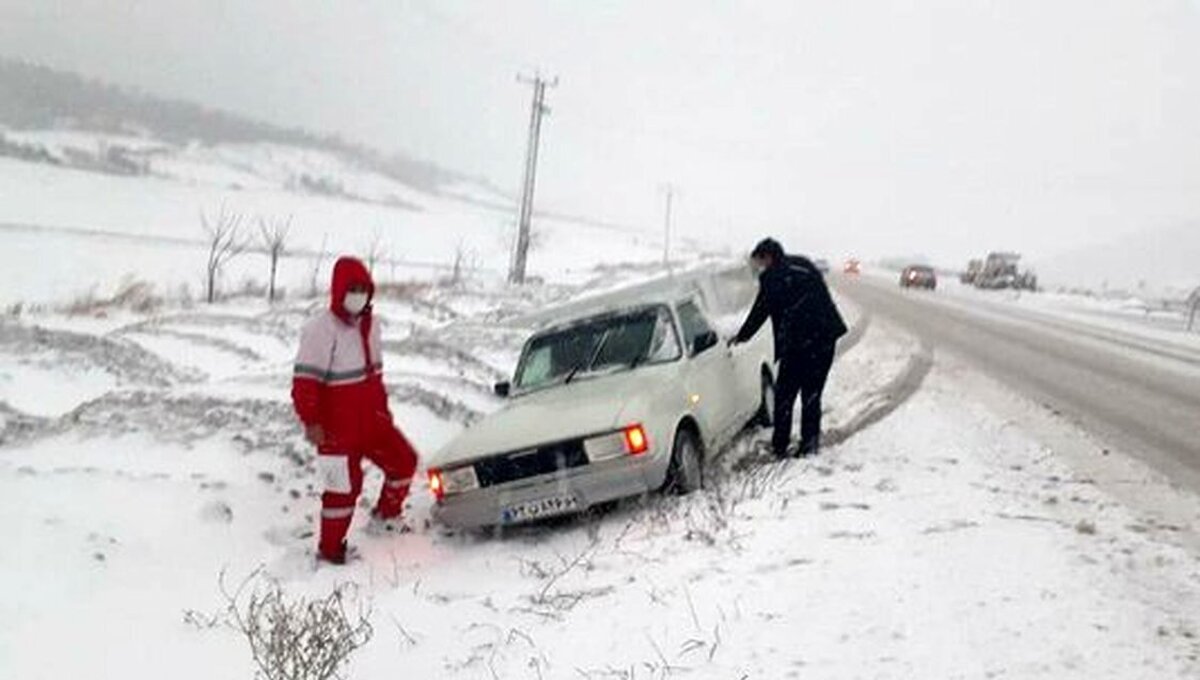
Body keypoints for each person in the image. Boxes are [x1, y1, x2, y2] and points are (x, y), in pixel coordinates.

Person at [291, 256, 419, 564]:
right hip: (336, 429)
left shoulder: (372, 326)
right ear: (338, 290)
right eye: (353, 288)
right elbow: (305, 383)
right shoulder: (320, 329)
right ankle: (330, 551)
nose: (359, 295)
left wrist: (383, 412)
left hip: (373, 422)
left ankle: (386, 516)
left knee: (404, 461)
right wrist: (312, 421)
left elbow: (375, 377)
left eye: (364, 289)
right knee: (342, 491)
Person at [730, 238, 847, 458]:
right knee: (812, 395)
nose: (759, 267)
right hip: (824, 339)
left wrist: (742, 336)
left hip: (798, 344)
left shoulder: (772, 277)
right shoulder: (803, 264)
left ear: (768, 257)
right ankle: (809, 445)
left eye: (760, 262)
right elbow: (821, 297)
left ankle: (780, 446)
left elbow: (760, 311)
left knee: (784, 396)